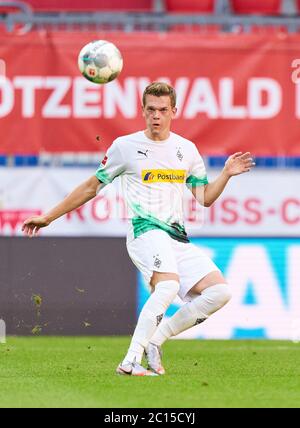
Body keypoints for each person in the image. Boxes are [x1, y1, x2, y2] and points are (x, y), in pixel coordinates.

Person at [22, 82, 255, 377]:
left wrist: (226, 174)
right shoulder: (125, 147)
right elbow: (92, 187)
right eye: (150, 110)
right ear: (143, 111)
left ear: (174, 111)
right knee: (168, 286)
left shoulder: (187, 149)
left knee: (219, 292)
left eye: (162, 110)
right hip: (145, 231)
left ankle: (156, 341)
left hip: (175, 237)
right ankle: (130, 360)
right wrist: (49, 217)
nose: (156, 116)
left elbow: (204, 197)